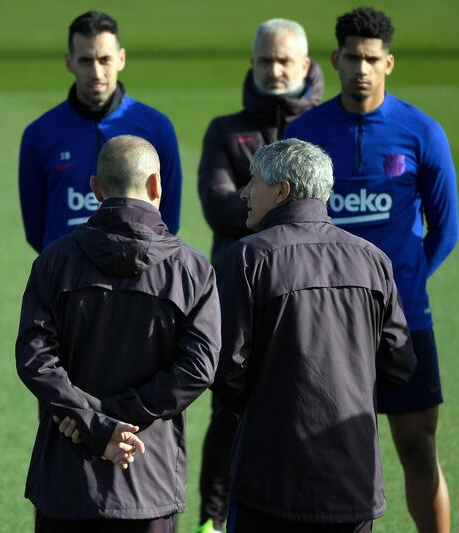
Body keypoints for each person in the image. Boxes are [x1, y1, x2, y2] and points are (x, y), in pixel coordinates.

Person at [284, 8, 458, 531]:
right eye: (353, 58)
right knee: (330, 451)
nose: (361, 68)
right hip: (327, 323)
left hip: (404, 320)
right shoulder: (305, 132)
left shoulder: (421, 132)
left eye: (372, 59)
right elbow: (285, 217)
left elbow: (445, 231)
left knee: (416, 445)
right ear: (335, 60)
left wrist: (402, 285)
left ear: (389, 63)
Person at [16, 135, 220, 532]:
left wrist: (95, 423)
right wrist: (117, 419)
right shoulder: (193, 270)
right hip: (148, 479)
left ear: (95, 188)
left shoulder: (53, 261)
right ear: (157, 185)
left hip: (67, 479)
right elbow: (197, 370)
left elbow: (35, 359)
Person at [213, 139, 418, 532]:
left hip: (271, 482)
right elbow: (400, 365)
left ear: (282, 191)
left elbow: (226, 370)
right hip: (353, 480)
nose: (244, 192)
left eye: (253, 181)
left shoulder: (249, 257)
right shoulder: (373, 259)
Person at [194, 18, 323, 533]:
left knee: (311, 400)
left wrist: (263, 206)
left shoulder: (324, 127)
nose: (273, 70)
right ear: (252, 63)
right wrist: (296, 213)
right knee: (228, 405)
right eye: (265, 60)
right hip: (239, 288)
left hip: (313, 290)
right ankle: (211, 519)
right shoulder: (226, 130)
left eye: (284, 61)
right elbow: (219, 207)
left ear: (305, 66)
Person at [19, 10, 182, 253]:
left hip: (138, 277)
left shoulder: (157, 129)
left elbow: (169, 219)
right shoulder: (39, 135)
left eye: (104, 59)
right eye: (86, 60)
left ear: (121, 59)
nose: (96, 73)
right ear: (69, 62)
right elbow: (36, 229)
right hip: (67, 280)